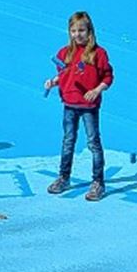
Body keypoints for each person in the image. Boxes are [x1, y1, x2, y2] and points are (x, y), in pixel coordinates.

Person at [45, 11, 113, 201]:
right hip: (69, 105)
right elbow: (65, 74)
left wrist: (97, 90)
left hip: (89, 107)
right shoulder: (64, 53)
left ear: (89, 31)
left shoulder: (99, 54)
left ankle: (98, 182)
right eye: (74, 30)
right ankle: (64, 177)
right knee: (68, 141)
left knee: (93, 142)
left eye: (81, 30)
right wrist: (53, 82)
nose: (78, 34)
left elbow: (108, 77)